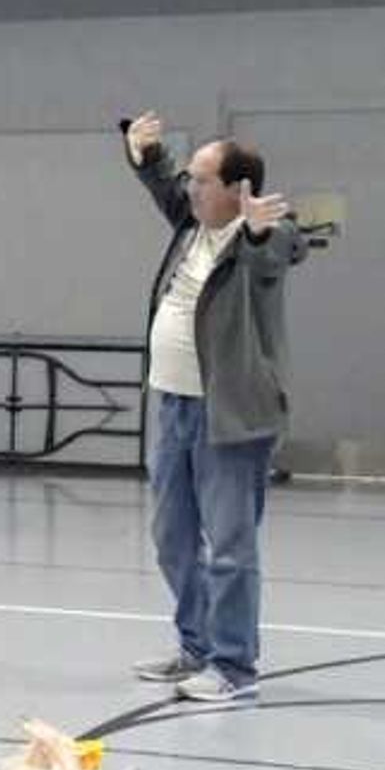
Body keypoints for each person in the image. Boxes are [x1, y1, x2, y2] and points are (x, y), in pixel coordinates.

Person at [122, 112, 306, 705]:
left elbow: (279, 251)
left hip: (229, 414)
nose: (191, 187)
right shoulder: (192, 224)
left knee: (229, 546)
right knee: (172, 537)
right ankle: (196, 647)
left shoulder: (263, 236)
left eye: (202, 179)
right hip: (174, 406)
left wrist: (256, 232)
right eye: (192, 179)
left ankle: (233, 666)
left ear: (238, 189)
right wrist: (146, 156)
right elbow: (164, 186)